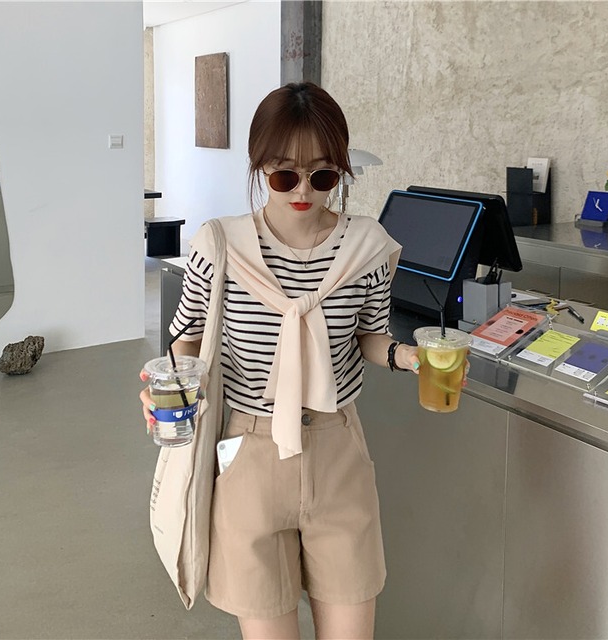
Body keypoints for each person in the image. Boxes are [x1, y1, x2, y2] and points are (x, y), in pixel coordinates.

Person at [140, 82, 420, 640]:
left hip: (338, 450)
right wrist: (164, 383)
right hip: (250, 451)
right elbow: (187, 339)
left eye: (323, 175)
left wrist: (407, 356)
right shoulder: (219, 246)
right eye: (285, 175)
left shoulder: (368, 247)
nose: (304, 190)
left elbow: (369, 335)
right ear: (259, 166)